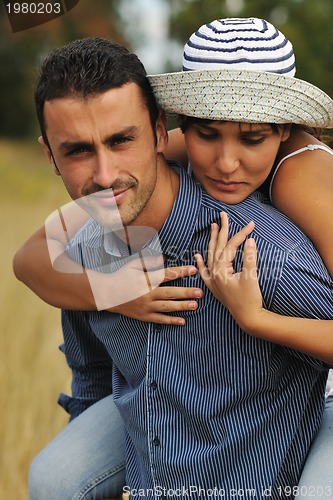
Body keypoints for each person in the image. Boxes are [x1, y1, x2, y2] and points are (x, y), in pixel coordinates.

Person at [14, 22, 333, 500]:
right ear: (178, 129)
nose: (226, 163)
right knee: (54, 477)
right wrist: (115, 290)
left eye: (122, 140)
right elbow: (32, 261)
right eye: (79, 150)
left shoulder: (295, 190)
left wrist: (255, 318)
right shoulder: (102, 223)